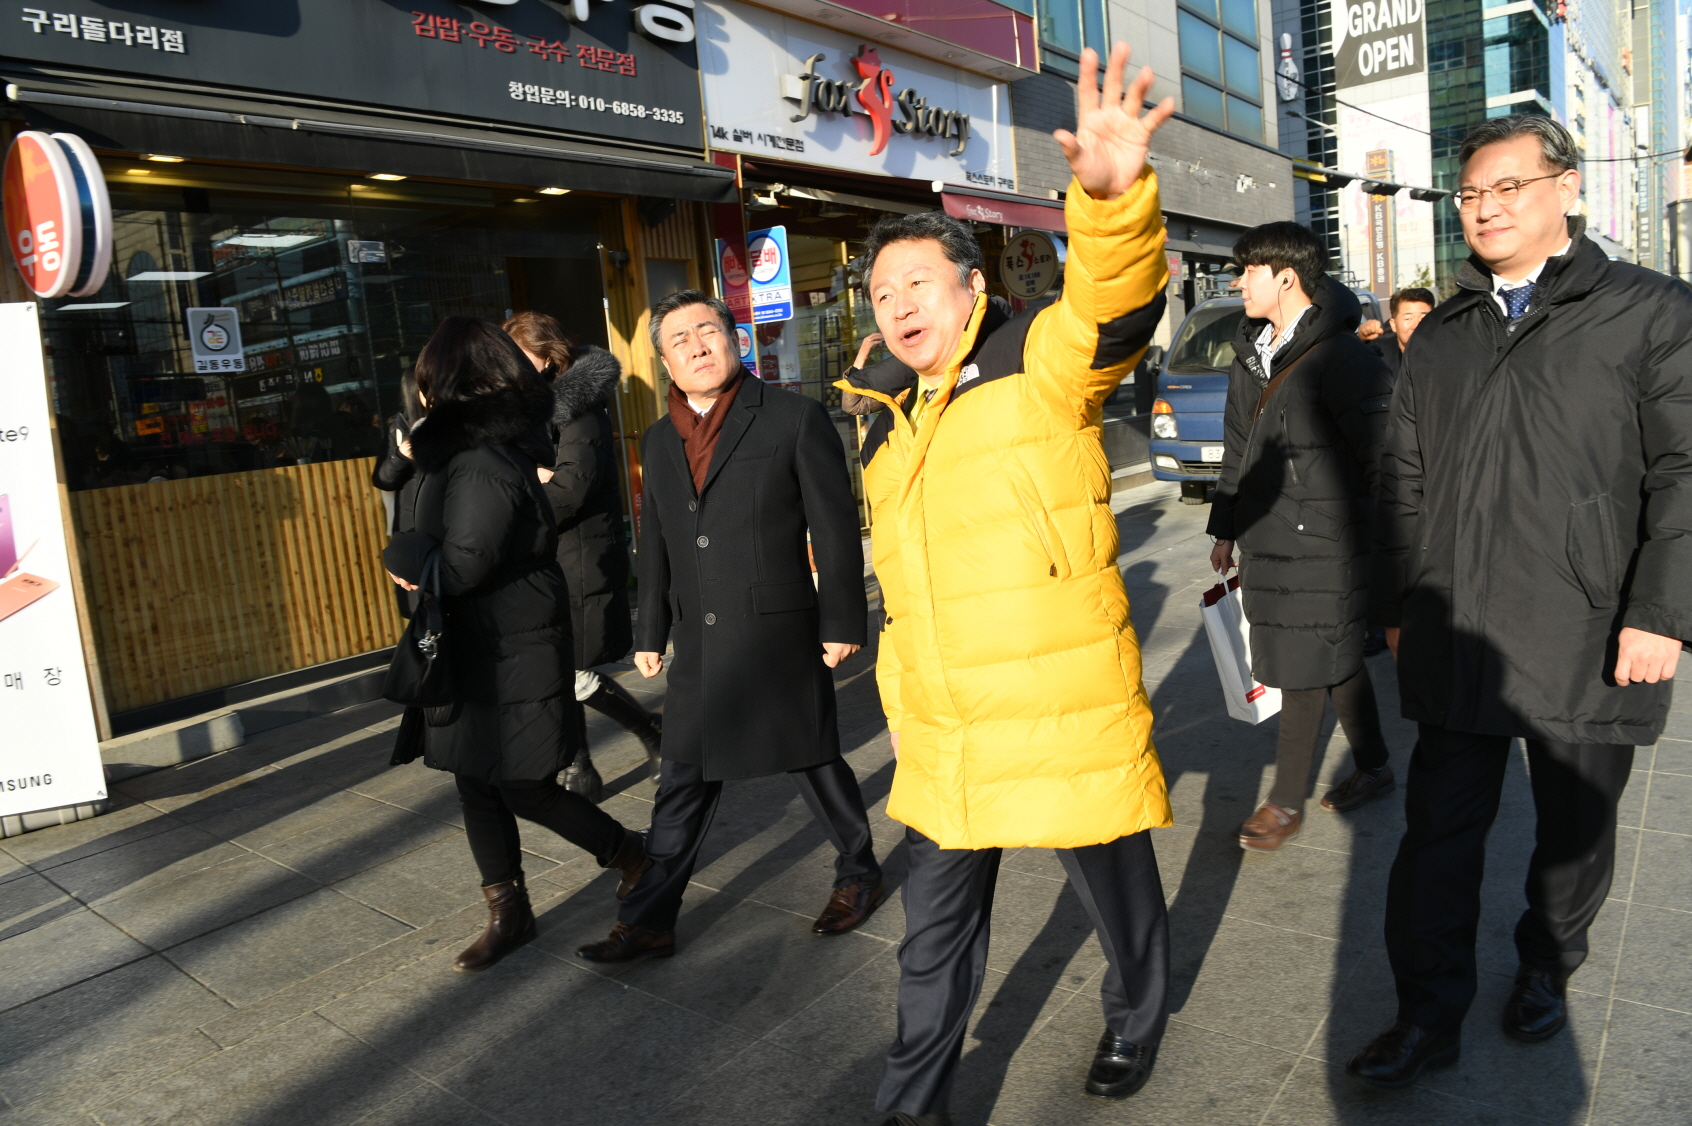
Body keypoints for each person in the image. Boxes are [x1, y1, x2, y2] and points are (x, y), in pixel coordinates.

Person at [840, 44, 1176, 1124]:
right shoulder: (885, 425)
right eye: (883, 290)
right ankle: (913, 1104)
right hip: (946, 730)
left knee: (1115, 898)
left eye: (918, 284)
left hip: (1055, 710)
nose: (898, 305)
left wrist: (1110, 205)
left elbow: (1111, 311)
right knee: (931, 939)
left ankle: (1136, 1012)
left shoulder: (1038, 358)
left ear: (972, 289)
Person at [1352, 114, 1692, 1087]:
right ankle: (1428, 1012)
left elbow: (1685, 470)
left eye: (1510, 186)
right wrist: (1402, 600)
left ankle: (1549, 956)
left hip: (1590, 625)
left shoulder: (1650, 312)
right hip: (1458, 625)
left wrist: (1661, 610)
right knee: (1437, 834)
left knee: (1572, 825)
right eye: (1471, 193)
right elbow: (1403, 481)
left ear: (1568, 189)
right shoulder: (1446, 333)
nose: (1487, 206)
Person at [574, 289, 883, 964]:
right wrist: (649, 630)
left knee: (809, 758)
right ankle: (651, 919)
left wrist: (842, 617)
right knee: (681, 777)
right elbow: (652, 538)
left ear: (734, 339)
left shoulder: (794, 418)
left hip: (776, 631)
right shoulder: (658, 439)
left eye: (707, 331)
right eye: (678, 340)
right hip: (702, 642)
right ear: (664, 363)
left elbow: (833, 527)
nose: (696, 345)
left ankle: (859, 871)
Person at [382, 317, 651, 975]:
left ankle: (633, 855)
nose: (423, 397)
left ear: (459, 383)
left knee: (525, 783)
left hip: (511, 648)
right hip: (480, 644)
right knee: (475, 780)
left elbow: (467, 561)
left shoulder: (479, 460)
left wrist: (408, 559)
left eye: (430, 383)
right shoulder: (462, 449)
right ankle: (509, 911)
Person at [1207, 222, 1398, 849]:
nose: (1237, 282)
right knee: (1335, 659)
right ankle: (1374, 765)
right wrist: (1225, 528)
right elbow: (1239, 449)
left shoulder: (1344, 357)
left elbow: (1385, 462)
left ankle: (1285, 803)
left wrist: (1388, 561)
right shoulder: (1250, 353)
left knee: (1305, 666)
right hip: (1269, 542)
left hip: (1326, 546)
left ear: (1286, 277)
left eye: (1248, 271)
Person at [503, 312, 663, 801]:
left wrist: (523, 488)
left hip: (578, 554)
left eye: (521, 356)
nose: (513, 367)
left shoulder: (580, 408)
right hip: (546, 557)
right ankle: (582, 766)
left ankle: (650, 733)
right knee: (557, 668)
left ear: (549, 355)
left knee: (569, 669)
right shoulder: (527, 411)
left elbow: (571, 489)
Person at [371, 368, 423, 618]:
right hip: (412, 524)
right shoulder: (399, 426)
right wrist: (402, 456)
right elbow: (382, 479)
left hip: (446, 523)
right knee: (418, 604)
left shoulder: (451, 421)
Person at [1368, 286, 1436, 384]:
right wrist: (1360, 339)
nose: (1416, 325)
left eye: (1423, 318)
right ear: (1393, 324)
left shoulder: (1448, 356)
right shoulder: (1378, 355)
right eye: (1408, 318)